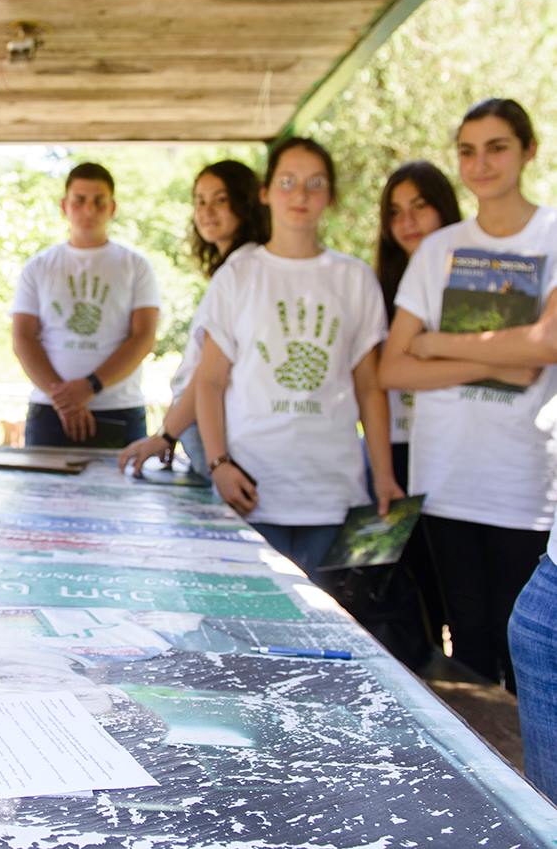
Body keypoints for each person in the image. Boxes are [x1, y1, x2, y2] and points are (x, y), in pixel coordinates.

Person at [380, 98, 557, 695]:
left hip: (525, 484)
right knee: (470, 650)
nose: (480, 164)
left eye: (496, 147)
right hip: (447, 479)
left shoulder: (552, 234)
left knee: (527, 652)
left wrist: (435, 345)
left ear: (529, 151)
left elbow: (548, 343)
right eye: (467, 151)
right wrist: (501, 361)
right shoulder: (439, 249)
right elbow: (392, 367)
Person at [193, 137, 401, 575]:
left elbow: (369, 387)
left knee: (330, 617)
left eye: (315, 183)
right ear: (266, 192)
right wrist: (218, 464)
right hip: (250, 491)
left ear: (331, 195)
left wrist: (383, 477)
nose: (300, 195)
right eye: (287, 182)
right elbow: (209, 381)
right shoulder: (238, 275)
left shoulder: (354, 278)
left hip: (334, 495)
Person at [118, 160, 268, 477]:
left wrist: (166, 434)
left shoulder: (244, 269)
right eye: (200, 201)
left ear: (246, 203)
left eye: (220, 199)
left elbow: (207, 373)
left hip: (211, 426)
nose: (206, 211)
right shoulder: (238, 267)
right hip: (196, 421)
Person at [371, 161, 463, 657]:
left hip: (458, 451)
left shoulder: (475, 280)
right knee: (417, 593)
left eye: (420, 207)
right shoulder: (376, 288)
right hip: (396, 454)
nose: (407, 222)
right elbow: (375, 381)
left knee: (465, 602)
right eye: (395, 212)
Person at [12, 162, 161, 448]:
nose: (89, 210)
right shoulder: (38, 266)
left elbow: (143, 336)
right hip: (50, 408)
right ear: (64, 206)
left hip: (118, 407)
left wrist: (90, 386)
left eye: (99, 201)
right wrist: (64, 399)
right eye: (79, 200)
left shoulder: (136, 266)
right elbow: (22, 337)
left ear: (112, 208)